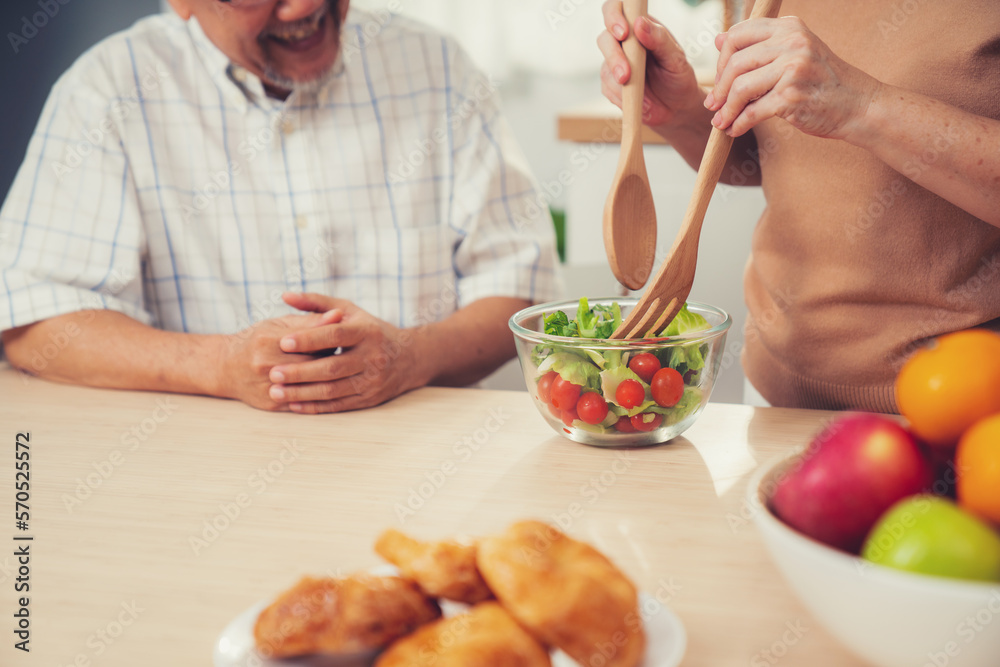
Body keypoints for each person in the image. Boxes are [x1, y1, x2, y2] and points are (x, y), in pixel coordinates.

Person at [0, 0, 561, 413]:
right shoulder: (106, 90)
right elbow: (33, 321)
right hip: (188, 483)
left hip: (428, 473)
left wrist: (411, 357)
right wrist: (219, 365)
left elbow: (520, 288)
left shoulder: (437, 65)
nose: (306, 6)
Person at [597, 0, 1000, 412]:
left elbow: (843, 107)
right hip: (775, 393)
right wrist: (680, 113)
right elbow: (771, 159)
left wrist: (862, 105)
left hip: (956, 402)